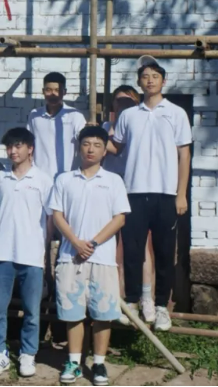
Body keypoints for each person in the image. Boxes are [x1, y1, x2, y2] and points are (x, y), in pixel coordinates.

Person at [108, 55, 192, 331]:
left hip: (166, 193)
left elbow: (184, 155)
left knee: (165, 252)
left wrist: (181, 193)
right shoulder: (128, 115)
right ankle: (132, 300)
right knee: (132, 251)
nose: (150, 80)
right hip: (133, 192)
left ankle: (160, 306)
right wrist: (92, 135)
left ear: (163, 81)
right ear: (139, 82)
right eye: (145, 77)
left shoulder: (176, 113)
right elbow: (116, 148)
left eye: (155, 76)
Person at [51, 126, 130, 386]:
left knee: (103, 313)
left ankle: (98, 363)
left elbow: (119, 218)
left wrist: (93, 243)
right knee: (72, 313)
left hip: (103, 258)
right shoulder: (64, 179)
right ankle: (74, 362)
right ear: (79, 147)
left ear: (104, 150)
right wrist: (75, 242)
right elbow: (57, 215)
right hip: (70, 257)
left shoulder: (114, 180)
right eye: (86, 144)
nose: (91, 149)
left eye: (97, 144)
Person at [0, 127, 53, 379]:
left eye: (18, 146)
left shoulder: (43, 180)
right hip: (1, 254)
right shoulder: (0, 178)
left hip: (31, 255)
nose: (13, 151)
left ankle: (27, 354)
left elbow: (50, 219)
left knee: (32, 311)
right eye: (9, 147)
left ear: (30, 148)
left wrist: (44, 249)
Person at [104, 85, 156, 322]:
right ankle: (116, 298)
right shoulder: (105, 128)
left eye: (129, 101)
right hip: (109, 191)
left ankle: (146, 297)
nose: (123, 106)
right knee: (112, 247)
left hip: (134, 189)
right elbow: (106, 150)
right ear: (113, 105)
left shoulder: (140, 124)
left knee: (140, 246)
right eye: (119, 101)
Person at [26, 72, 86, 181]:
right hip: (40, 177)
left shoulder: (75, 115)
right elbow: (28, 143)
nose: (53, 94)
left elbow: (84, 140)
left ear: (64, 92)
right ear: (43, 91)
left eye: (57, 90)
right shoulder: (35, 115)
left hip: (68, 177)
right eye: (48, 90)